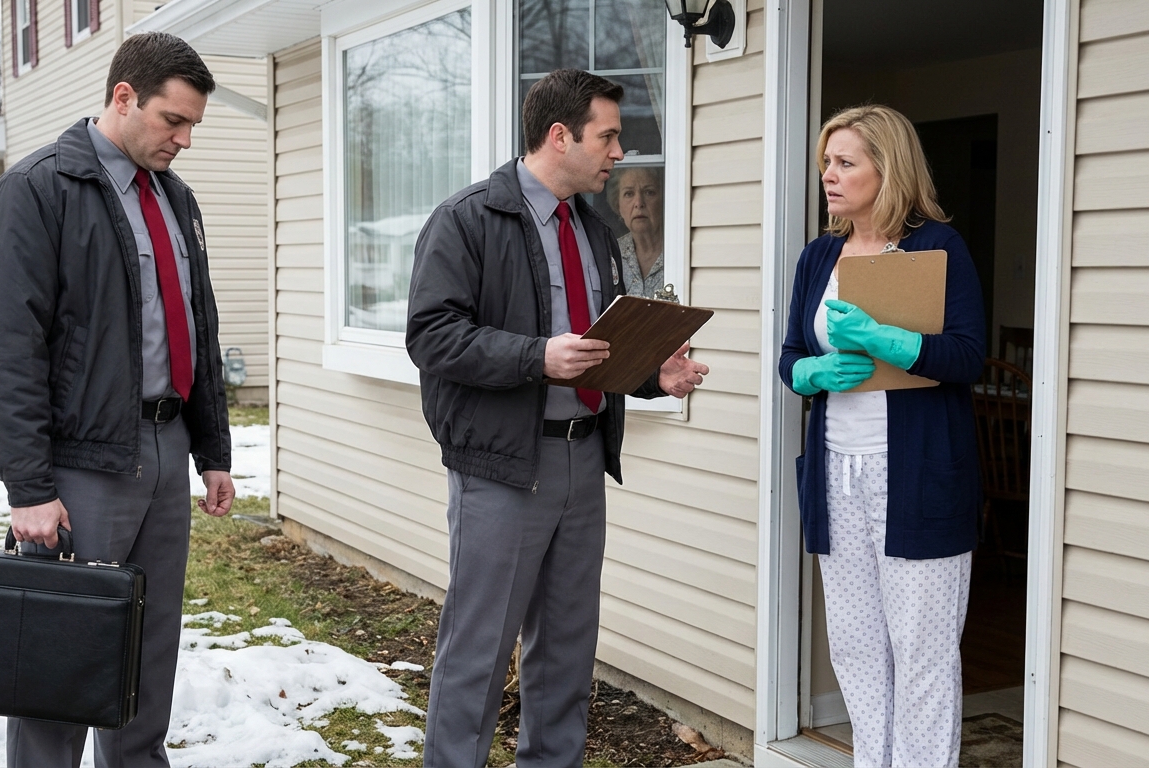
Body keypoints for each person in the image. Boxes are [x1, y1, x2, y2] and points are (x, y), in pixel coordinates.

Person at [406, 68, 709, 768]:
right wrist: (536, 356)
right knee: (478, 650)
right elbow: (431, 335)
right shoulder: (468, 218)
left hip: (582, 462)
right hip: (502, 468)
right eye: (607, 137)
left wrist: (652, 376)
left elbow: (597, 350)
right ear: (559, 135)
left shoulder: (595, 230)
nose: (619, 153)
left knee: (568, 647)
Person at [0, 32, 235, 768]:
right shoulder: (36, 191)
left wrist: (211, 451)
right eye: (172, 121)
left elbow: (196, 329)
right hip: (83, 465)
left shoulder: (176, 199)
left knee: (149, 657)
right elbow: (6, 350)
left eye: (192, 126)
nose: (184, 139)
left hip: (167, 449)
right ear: (124, 97)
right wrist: (28, 486)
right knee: (62, 663)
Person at [777, 104, 985, 768]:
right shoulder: (819, 256)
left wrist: (893, 342)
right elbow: (789, 356)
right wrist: (811, 371)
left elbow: (967, 357)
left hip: (919, 478)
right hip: (837, 474)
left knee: (922, 650)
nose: (828, 177)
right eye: (825, 164)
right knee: (858, 647)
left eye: (844, 163)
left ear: (886, 168)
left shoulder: (937, 247)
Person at [606, 165, 664, 298]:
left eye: (649, 192)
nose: (639, 203)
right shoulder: (612, 253)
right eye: (629, 194)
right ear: (618, 204)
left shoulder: (677, 251)